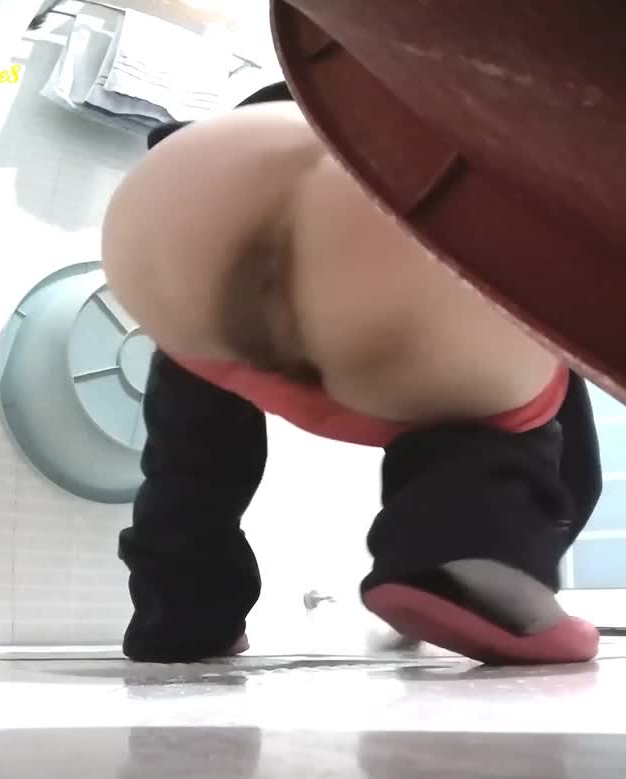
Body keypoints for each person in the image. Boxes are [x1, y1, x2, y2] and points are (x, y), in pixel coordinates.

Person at [103, 83, 602, 665]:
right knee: (521, 446)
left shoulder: (362, 64)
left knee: (190, 462)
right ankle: (465, 559)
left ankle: (182, 615)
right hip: (395, 229)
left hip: (190, 213)